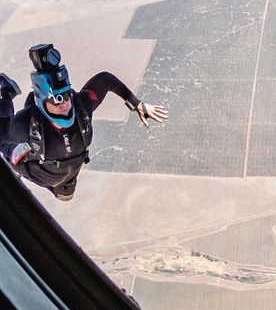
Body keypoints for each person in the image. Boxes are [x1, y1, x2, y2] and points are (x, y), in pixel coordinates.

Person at [0, 43, 167, 201]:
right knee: (6, 148)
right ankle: (7, 93)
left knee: (65, 196)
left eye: (65, 95)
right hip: (39, 170)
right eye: (56, 99)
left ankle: (63, 188)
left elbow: (105, 80)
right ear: (42, 101)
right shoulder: (24, 126)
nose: (63, 103)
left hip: (66, 174)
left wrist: (136, 103)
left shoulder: (82, 109)